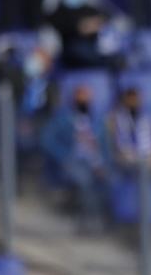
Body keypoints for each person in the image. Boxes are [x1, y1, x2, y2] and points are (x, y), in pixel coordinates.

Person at [40, 84, 109, 229]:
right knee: (84, 179)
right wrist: (63, 156)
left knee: (110, 179)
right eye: (81, 96)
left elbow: (104, 146)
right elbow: (47, 139)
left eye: (87, 97)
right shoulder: (63, 118)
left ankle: (104, 220)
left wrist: (103, 164)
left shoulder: (97, 121)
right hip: (72, 160)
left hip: (95, 162)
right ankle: (88, 220)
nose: (84, 100)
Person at [107, 87, 151, 171]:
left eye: (136, 99)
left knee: (149, 162)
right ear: (125, 100)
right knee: (142, 166)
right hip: (127, 156)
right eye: (131, 100)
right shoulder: (116, 118)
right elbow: (113, 141)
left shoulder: (146, 118)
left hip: (147, 156)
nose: (134, 102)